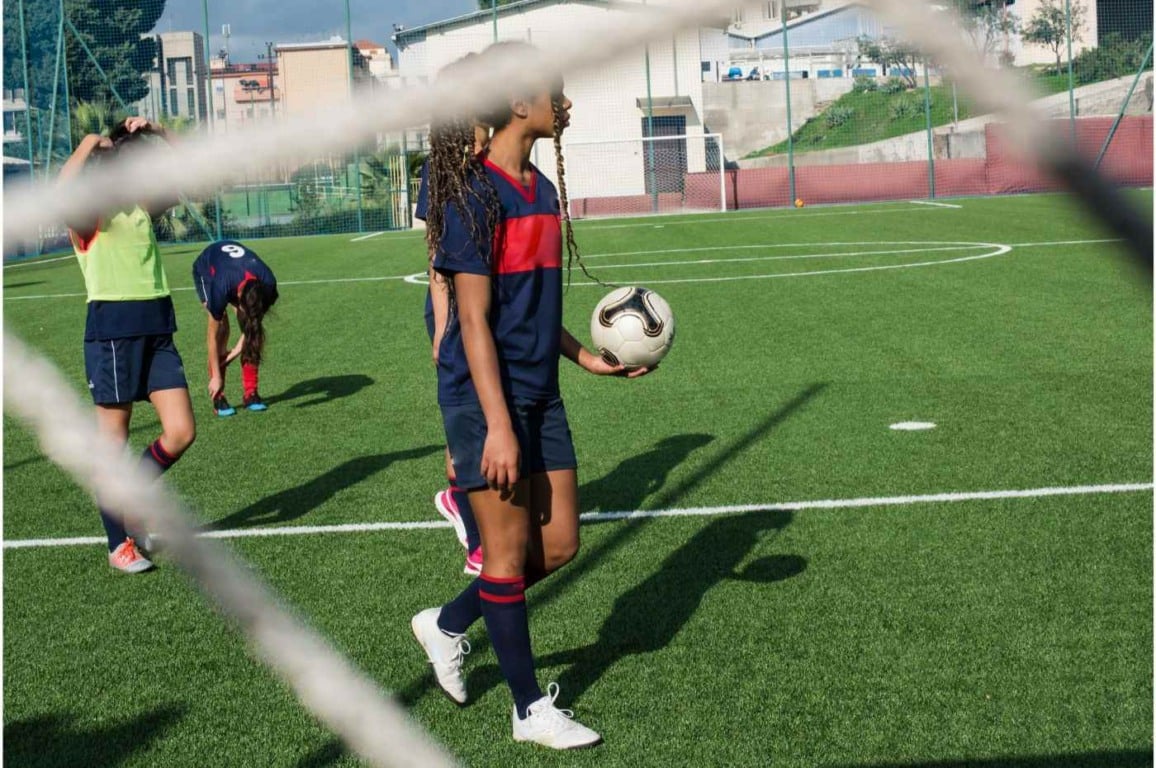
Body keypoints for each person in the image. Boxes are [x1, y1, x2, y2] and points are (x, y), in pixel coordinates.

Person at [410, 44, 652, 749]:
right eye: (555, 91)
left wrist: (587, 360)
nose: (565, 101)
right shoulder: (470, 195)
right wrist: (497, 426)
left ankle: (449, 623)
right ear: (519, 103)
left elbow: (534, 311)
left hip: (540, 390)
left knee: (562, 544)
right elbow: (476, 323)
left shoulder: (541, 191)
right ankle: (527, 710)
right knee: (508, 556)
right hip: (483, 396)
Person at [60, 116, 196, 573]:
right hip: (112, 332)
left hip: (157, 327)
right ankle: (119, 542)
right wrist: (88, 141)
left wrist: (158, 131)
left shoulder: (141, 207)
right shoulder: (89, 216)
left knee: (181, 432)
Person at [415, 53, 490, 576]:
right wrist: (442, 327)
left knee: (493, 419)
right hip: (452, 309)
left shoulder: (496, 153)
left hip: (491, 303)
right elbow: (434, 252)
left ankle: (469, 502)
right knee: (467, 426)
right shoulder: (440, 165)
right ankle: (475, 530)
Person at [191, 239, 279, 416]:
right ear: (238, 296)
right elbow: (212, 337)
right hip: (207, 270)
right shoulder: (221, 286)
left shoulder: (268, 285)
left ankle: (251, 393)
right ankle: (218, 397)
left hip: (238, 277)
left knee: (251, 330)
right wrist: (216, 375)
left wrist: (235, 352)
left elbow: (253, 327)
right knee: (221, 327)